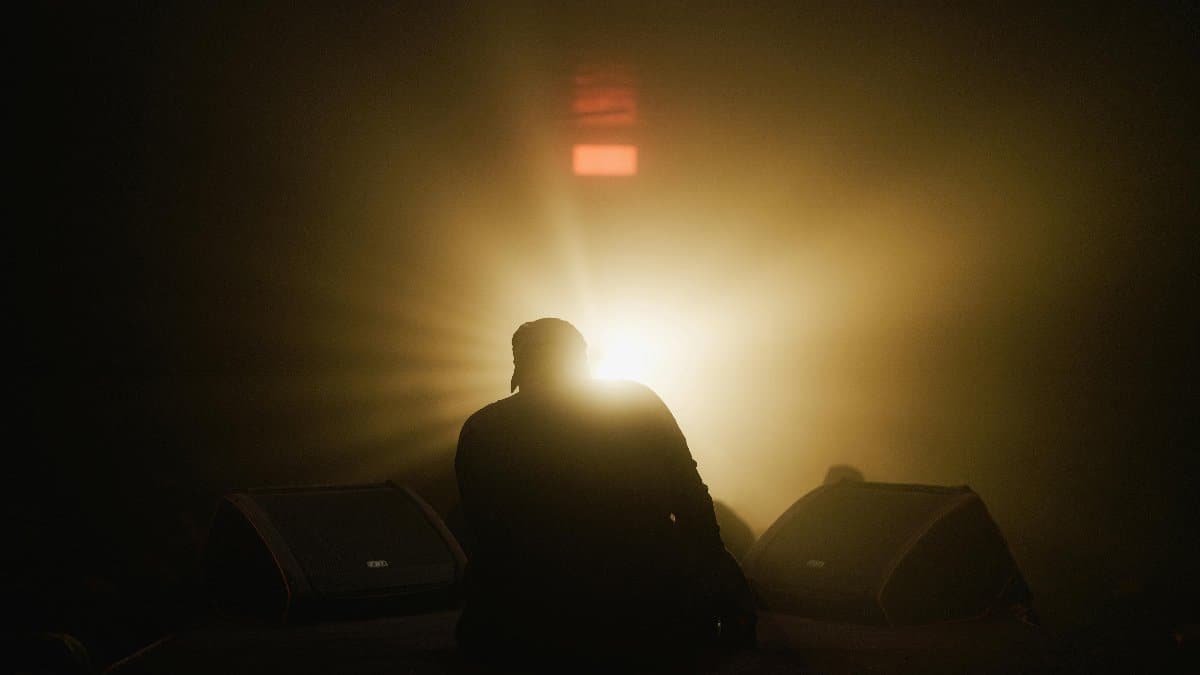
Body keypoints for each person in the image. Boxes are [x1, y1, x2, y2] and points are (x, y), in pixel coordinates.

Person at [454, 318, 755, 667]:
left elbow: (481, 528)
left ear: (521, 369)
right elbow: (691, 500)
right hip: (640, 613)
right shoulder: (636, 406)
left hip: (529, 623)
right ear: (580, 362)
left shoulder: (485, 429)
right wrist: (714, 567)